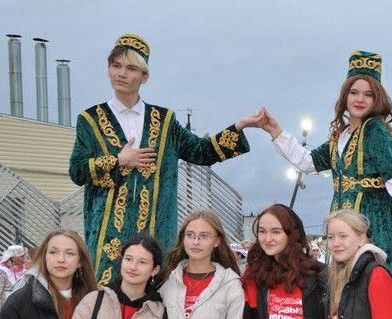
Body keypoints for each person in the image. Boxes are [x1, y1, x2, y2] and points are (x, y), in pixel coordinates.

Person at [69, 33, 265, 287]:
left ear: (145, 76)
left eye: (131, 68)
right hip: (108, 235)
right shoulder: (90, 119)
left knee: (156, 302)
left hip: (156, 230)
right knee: (107, 302)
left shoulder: (164, 121)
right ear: (108, 69)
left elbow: (200, 151)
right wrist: (118, 160)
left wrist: (238, 127)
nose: (122, 73)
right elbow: (76, 171)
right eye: (116, 66)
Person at [258, 51, 392, 273]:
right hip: (343, 227)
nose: (360, 99)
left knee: (372, 281)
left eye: (368, 94)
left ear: (377, 99)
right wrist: (276, 132)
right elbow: (307, 161)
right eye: (354, 92)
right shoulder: (340, 137)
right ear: (345, 96)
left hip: (373, 225)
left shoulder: (374, 130)